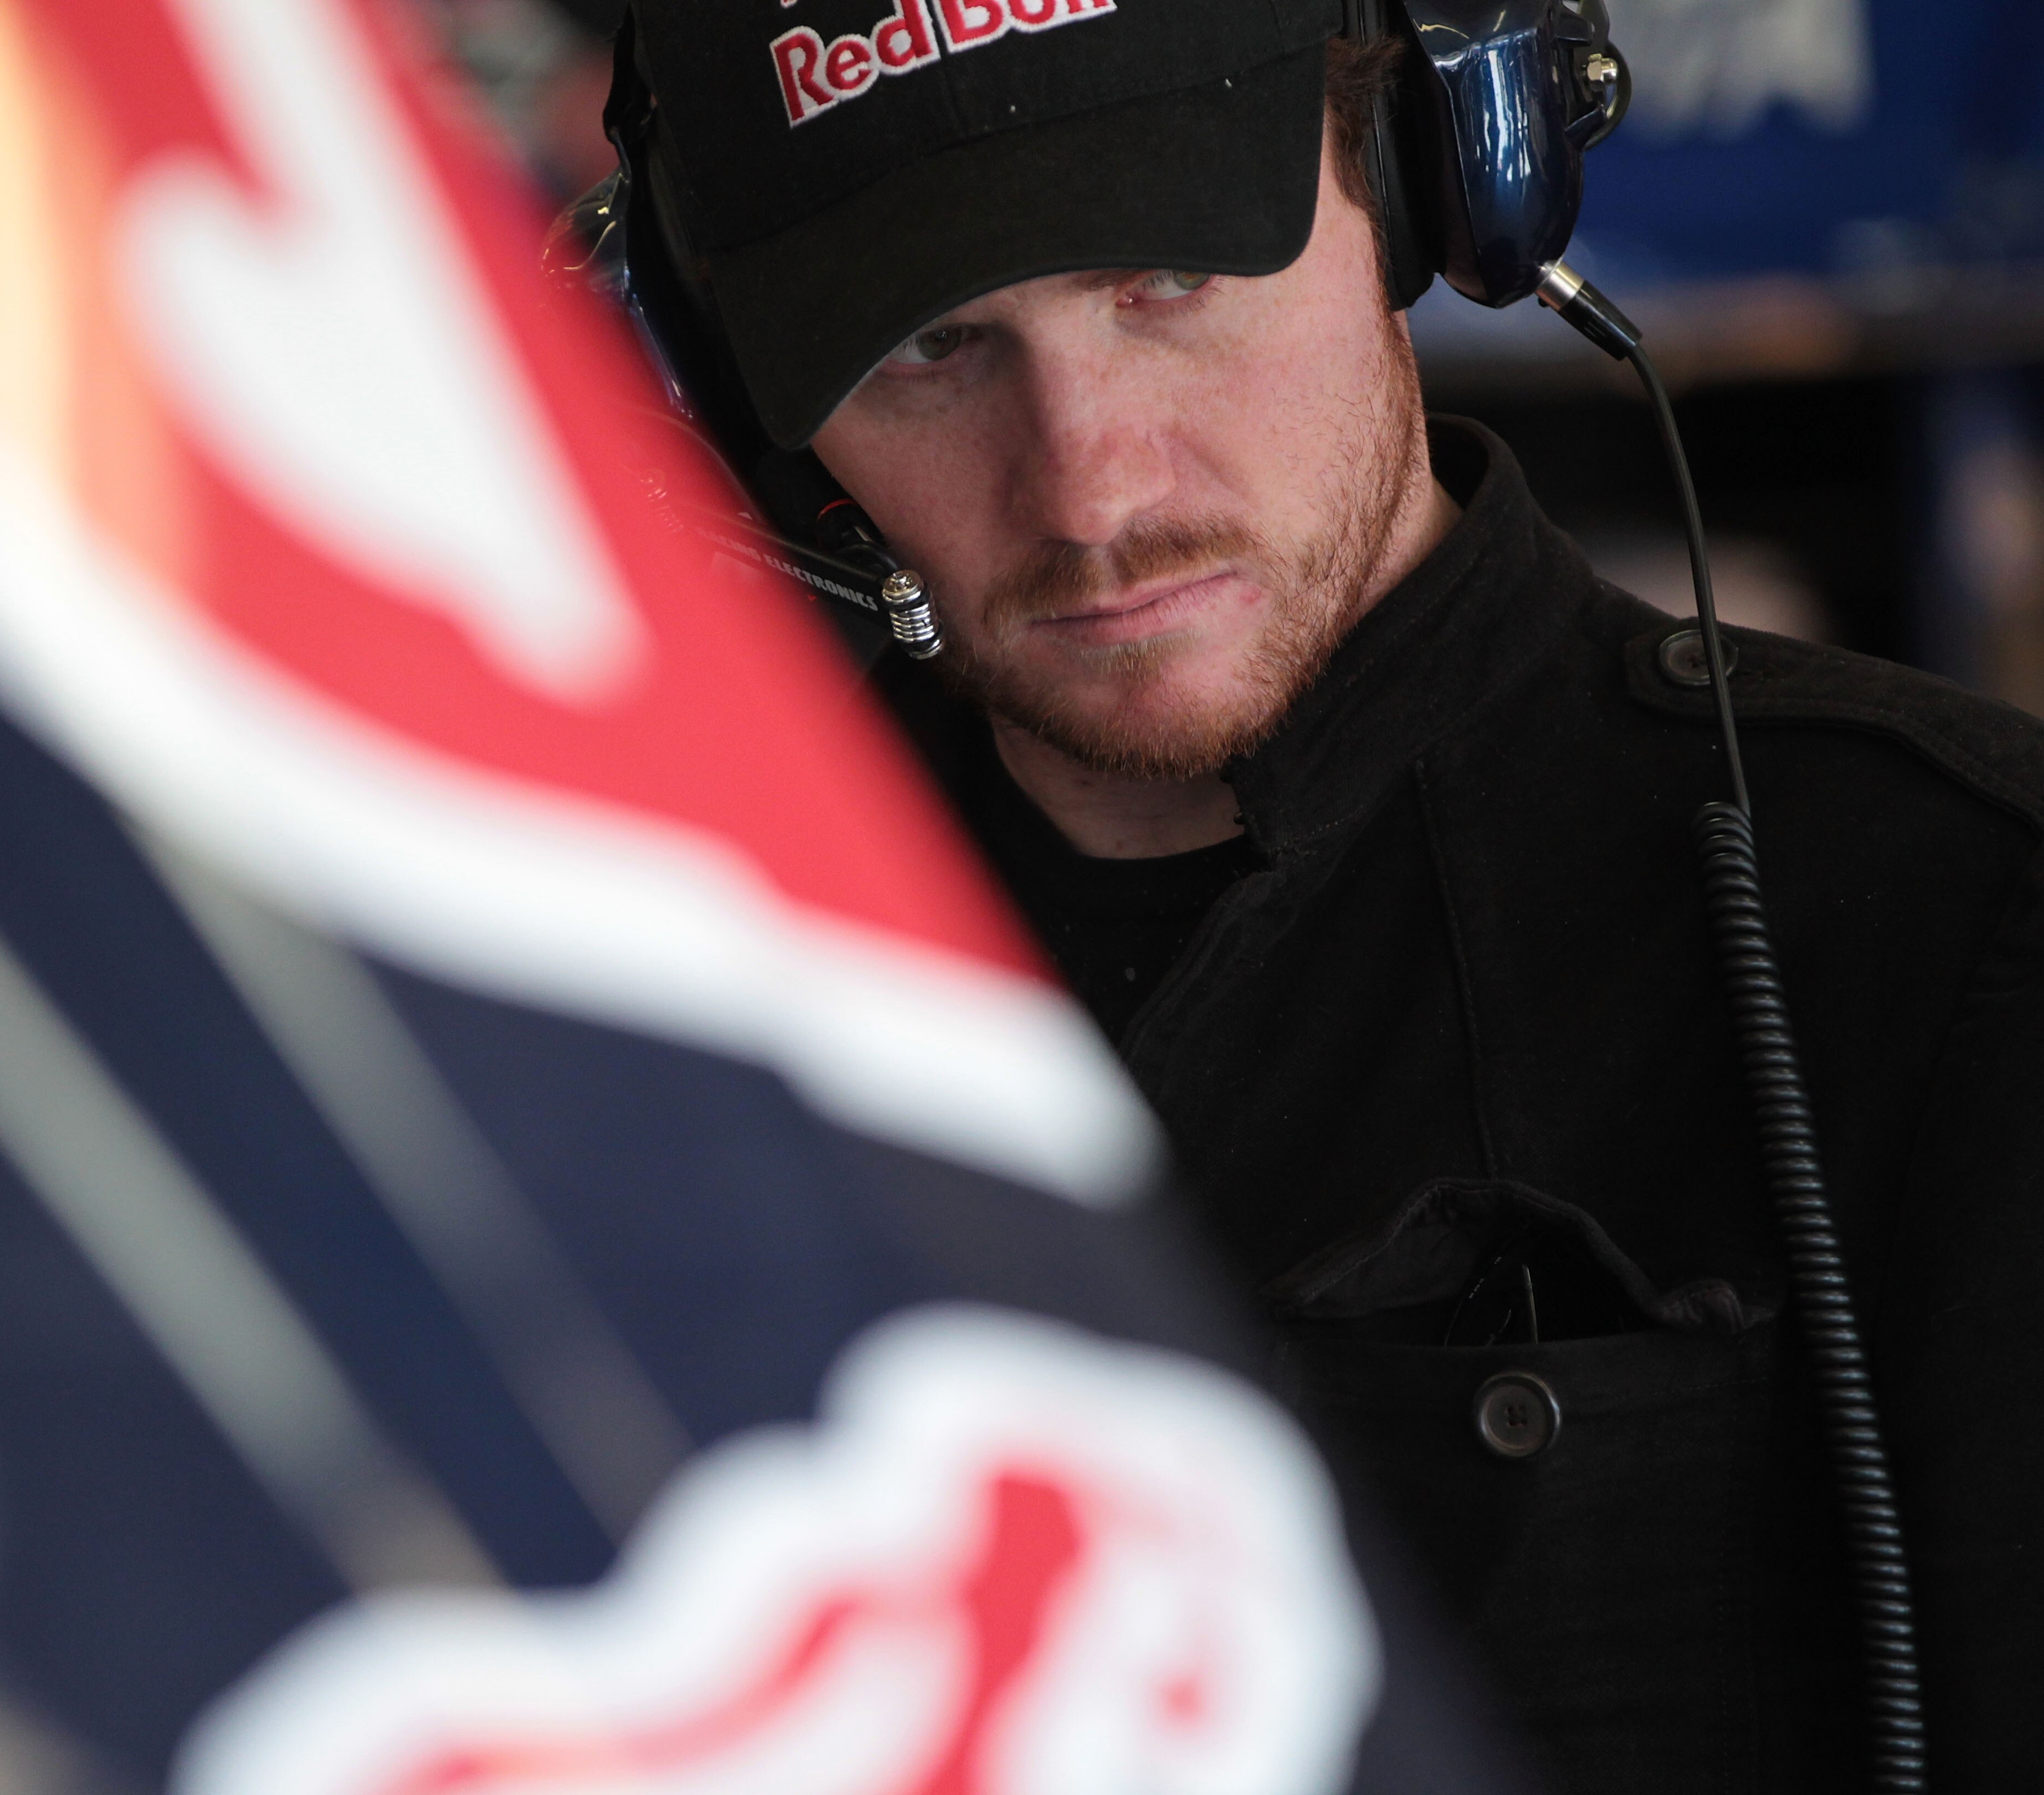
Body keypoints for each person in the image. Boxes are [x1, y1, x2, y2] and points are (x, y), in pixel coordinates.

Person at [608, 2, 2044, 1790]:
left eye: (1169, 283)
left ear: (1436, 180)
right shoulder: (638, 983)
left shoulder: (1949, 926)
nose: (1090, 490)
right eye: (928, 347)